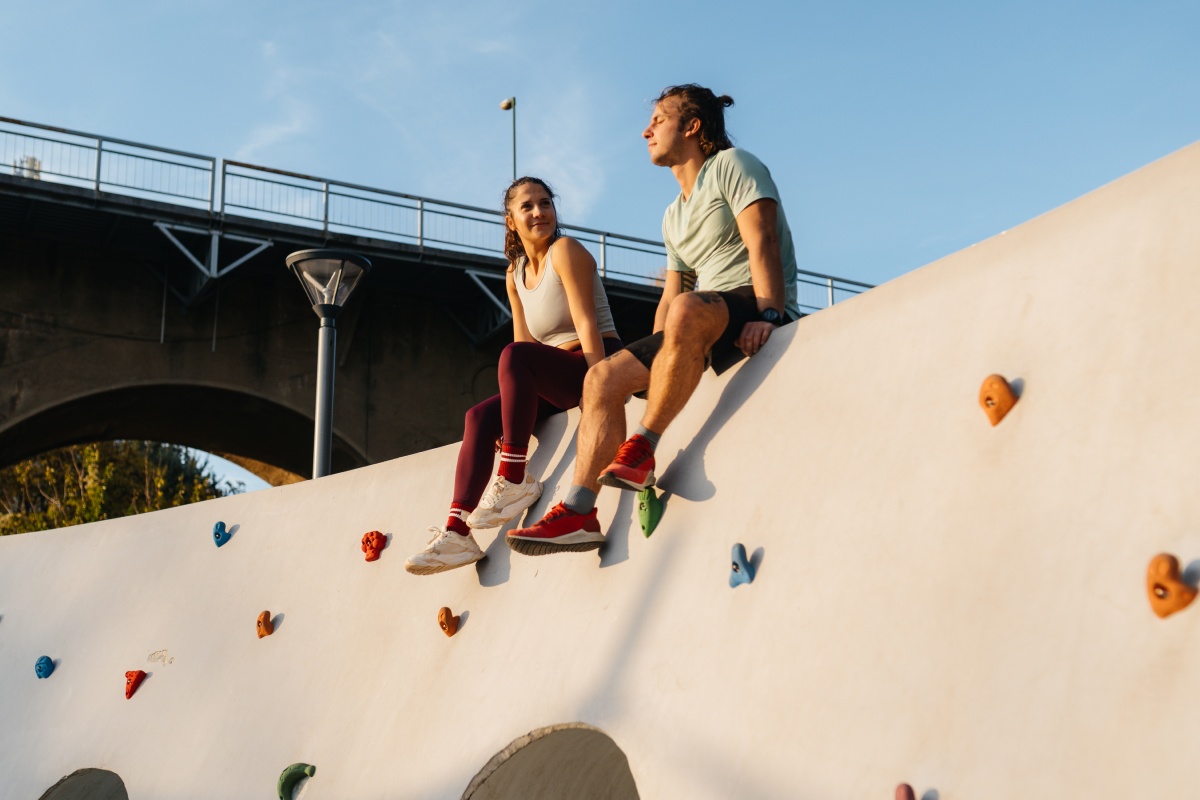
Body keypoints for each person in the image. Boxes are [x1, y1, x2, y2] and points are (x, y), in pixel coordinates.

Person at [507, 84, 800, 554]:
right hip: (699, 318)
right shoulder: (672, 214)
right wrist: (655, 359)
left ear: (692, 126)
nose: (647, 130)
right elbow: (670, 298)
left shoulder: (733, 166)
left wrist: (770, 313)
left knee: (686, 308)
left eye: (658, 120)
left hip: (746, 299)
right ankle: (579, 511)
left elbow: (762, 239)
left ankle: (643, 446)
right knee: (601, 376)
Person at [405, 177, 624, 574]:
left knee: (514, 356)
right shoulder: (515, 274)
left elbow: (587, 324)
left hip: (594, 358)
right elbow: (526, 351)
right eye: (527, 206)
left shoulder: (566, 251)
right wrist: (510, 422)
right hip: (552, 371)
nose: (539, 212)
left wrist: (601, 384)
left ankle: (513, 476)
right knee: (479, 417)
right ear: (511, 220)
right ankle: (456, 532)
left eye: (545, 203)